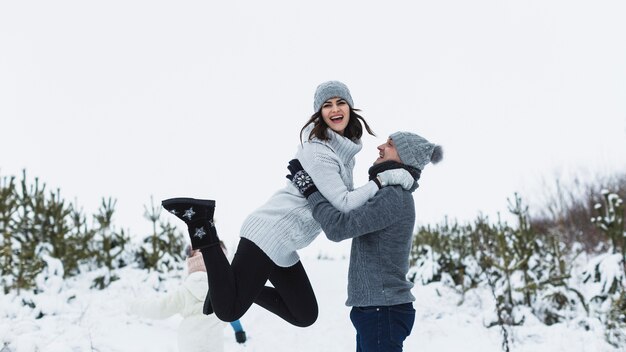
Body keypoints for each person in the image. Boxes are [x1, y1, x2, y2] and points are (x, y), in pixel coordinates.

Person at [161, 81, 416, 327]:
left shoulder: (344, 152)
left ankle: (229, 285)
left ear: (350, 108)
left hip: (285, 245)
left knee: (304, 314)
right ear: (320, 113)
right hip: (269, 232)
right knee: (228, 311)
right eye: (327, 105)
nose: (335, 109)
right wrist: (383, 180)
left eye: (341, 102)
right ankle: (202, 222)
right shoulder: (319, 151)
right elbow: (344, 203)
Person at [287, 131, 443, 352]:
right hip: (378, 310)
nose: (380, 146)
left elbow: (338, 228)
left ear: (404, 158)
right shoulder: (388, 193)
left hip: (382, 310)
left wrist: (309, 189)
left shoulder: (393, 197)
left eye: (390, 144)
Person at [127, 245, 227, 352]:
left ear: (190, 267)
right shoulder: (220, 291)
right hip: (215, 345)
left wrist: (133, 306)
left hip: (190, 345)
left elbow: (160, 309)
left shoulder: (185, 291)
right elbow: (228, 316)